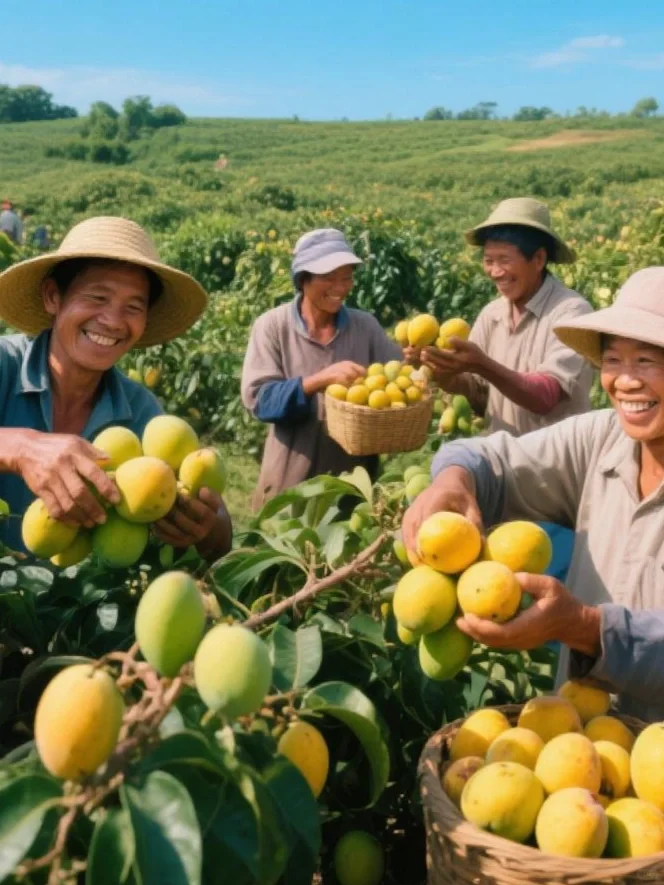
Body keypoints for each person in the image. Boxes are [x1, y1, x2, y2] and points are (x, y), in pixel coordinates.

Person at [403, 267, 664, 722]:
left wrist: (586, 628)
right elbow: (490, 458)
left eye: (646, 361)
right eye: (614, 360)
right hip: (575, 762)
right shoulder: (601, 440)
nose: (626, 381)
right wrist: (455, 479)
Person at [0, 215, 231, 561]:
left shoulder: (141, 413)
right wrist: (20, 447)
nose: (112, 321)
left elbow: (220, 538)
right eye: (97, 297)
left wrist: (207, 527)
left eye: (133, 307)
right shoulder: (5, 364)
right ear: (53, 297)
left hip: (67, 610)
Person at [416, 198, 594, 582]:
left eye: (504, 259)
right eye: (488, 260)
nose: (495, 271)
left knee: (551, 587)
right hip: (502, 477)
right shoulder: (492, 315)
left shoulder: (571, 315)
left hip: (555, 487)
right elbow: (480, 395)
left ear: (539, 258)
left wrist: (481, 362)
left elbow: (546, 395)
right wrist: (447, 373)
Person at [241, 228, 403, 510]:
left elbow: (399, 381)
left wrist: (415, 363)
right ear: (303, 279)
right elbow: (260, 401)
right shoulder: (273, 327)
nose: (341, 287)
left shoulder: (365, 327)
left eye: (347, 277)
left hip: (351, 489)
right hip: (288, 485)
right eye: (329, 278)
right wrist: (318, 381)